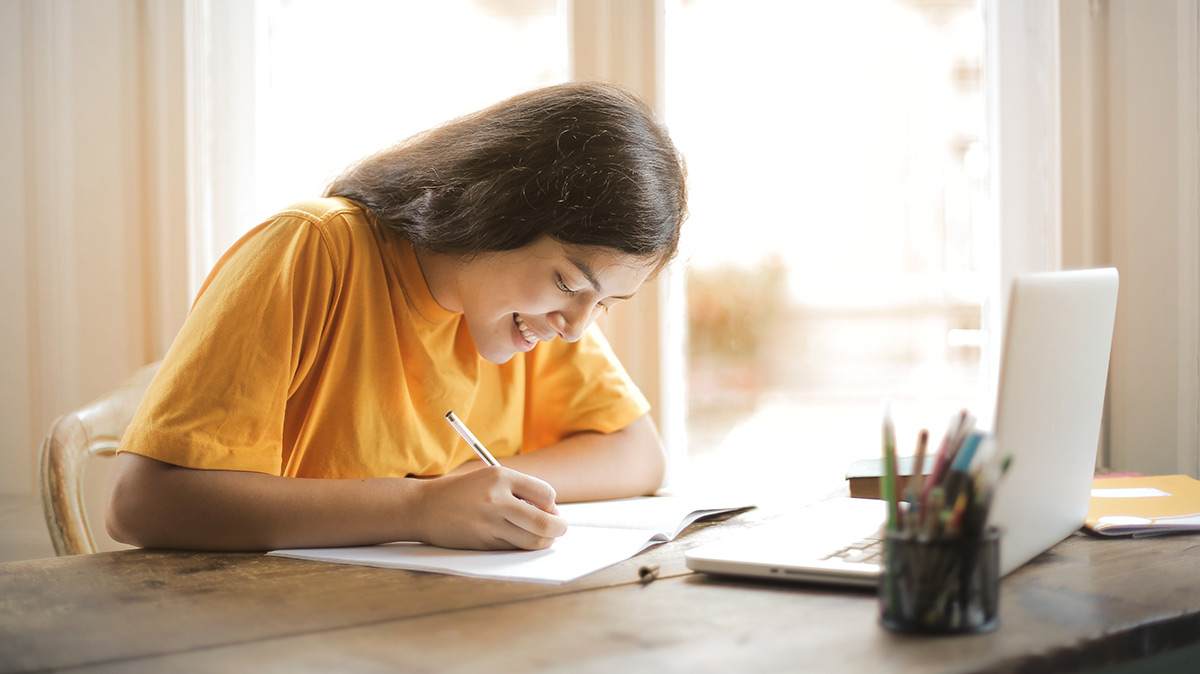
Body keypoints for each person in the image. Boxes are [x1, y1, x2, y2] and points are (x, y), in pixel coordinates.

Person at [106, 81, 688, 553]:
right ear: (495, 209)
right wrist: (417, 508)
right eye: (567, 283)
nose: (577, 327)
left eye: (604, 304)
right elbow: (141, 503)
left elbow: (638, 453)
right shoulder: (314, 250)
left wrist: (477, 488)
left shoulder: (536, 316)